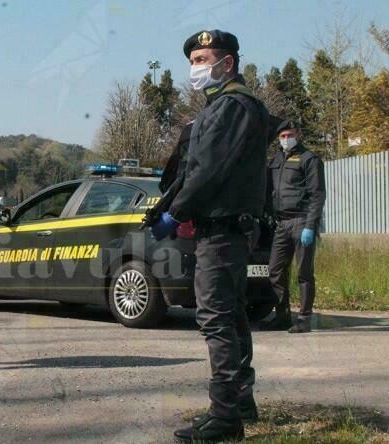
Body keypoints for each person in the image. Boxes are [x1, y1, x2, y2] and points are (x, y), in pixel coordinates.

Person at [151, 29, 269, 442]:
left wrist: (177, 212)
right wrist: (165, 205)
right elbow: (191, 167)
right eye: (193, 60)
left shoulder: (232, 107)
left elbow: (207, 171)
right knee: (233, 315)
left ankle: (225, 416)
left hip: (220, 231)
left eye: (203, 59)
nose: (195, 68)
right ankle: (241, 401)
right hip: (227, 229)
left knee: (215, 319)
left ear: (228, 63)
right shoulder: (224, 107)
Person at [264, 120, 326, 333]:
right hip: (281, 223)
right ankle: (282, 315)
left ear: (298, 135)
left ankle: (304, 318)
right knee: (275, 270)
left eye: (289, 135)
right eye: (282, 136)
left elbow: (317, 194)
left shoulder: (309, 159)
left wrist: (311, 225)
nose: (285, 139)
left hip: (302, 221)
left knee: (304, 272)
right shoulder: (276, 160)